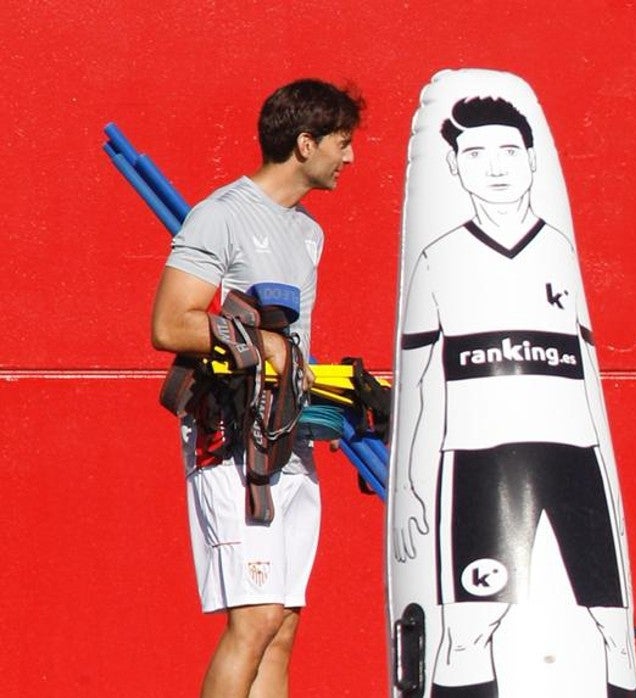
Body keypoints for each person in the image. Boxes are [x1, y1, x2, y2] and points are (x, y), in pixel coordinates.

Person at [398, 96, 636, 698]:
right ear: (454, 167)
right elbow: (424, 386)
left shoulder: (560, 250)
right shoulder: (439, 259)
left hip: (575, 458)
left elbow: (584, 376)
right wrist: (408, 485)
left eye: (509, 151)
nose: (496, 166)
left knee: (610, 626)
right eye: (476, 154)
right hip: (479, 462)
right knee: (469, 631)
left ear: (533, 161)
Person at [150, 78, 363, 698]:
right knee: (256, 619)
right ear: (305, 143)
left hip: (287, 438)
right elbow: (169, 322)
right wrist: (257, 342)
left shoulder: (308, 233)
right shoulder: (221, 213)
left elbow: (295, 350)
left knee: (283, 626)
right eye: (342, 144)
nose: (349, 159)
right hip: (231, 441)